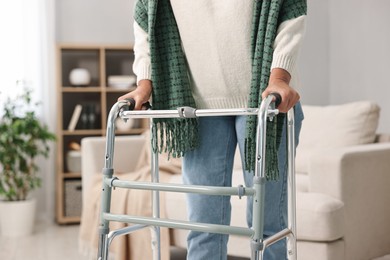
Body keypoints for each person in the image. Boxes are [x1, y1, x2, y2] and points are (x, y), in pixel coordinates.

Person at [119, 1, 307, 259]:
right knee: (203, 226)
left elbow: (289, 10)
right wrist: (144, 83)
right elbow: (147, 21)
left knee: (267, 225)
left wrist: (280, 78)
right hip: (198, 106)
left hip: (265, 103)